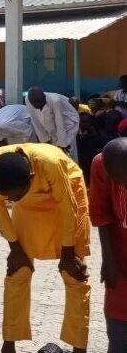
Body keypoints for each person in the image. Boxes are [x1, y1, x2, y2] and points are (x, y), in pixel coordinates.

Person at [0, 144, 90, 353]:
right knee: (18, 271)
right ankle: (9, 343)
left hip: (69, 199)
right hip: (28, 205)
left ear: (32, 177)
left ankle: (79, 346)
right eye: (8, 198)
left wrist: (68, 254)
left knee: (75, 275)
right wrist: (14, 248)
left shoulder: (50, 162)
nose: (11, 201)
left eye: (14, 197)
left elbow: (68, 208)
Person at [90, 139, 127, 351]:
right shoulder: (101, 165)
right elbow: (101, 213)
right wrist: (108, 259)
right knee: (118, 324)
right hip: (120, 256)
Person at [26, 86, 80, 160]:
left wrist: (62, 144)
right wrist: (45, 140)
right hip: (51, 129)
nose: (35, 105)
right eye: (33, 103)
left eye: (38, 102)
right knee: (51, 156)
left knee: (68, 155)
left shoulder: (55, 101)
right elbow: (36, 122)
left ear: (43, 97)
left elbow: (59, 122)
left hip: (67, 126)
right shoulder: (28, 100)